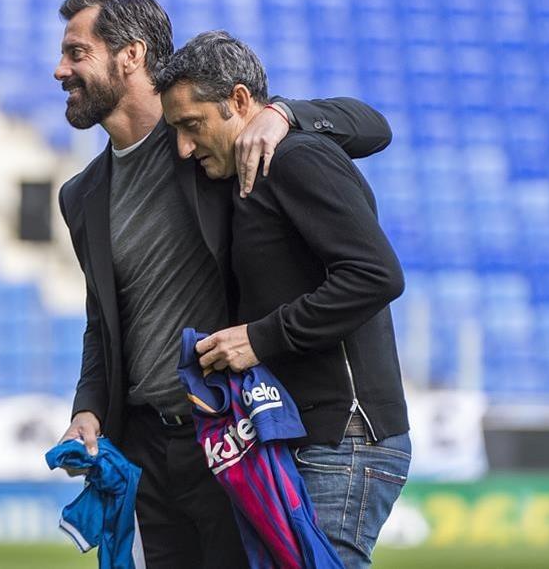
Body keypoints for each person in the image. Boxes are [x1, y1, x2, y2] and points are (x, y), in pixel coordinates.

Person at [52, 0, 394, 569]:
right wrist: (89, 406)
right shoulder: (81, 195)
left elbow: (370, 127)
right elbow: (101, 322)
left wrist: (285, 113)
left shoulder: (213, 143)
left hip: (230, 435)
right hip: (146, 447)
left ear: (130, 56)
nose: (60, 70)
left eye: (76, 52)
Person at [155, 30, 411, 569]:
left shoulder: (295, 157)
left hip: (344, 438)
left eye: (191, 125)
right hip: (308, 436)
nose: (183, 146)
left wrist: (258, 338)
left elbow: (376, 275)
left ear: (241, 101)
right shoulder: (246, 174)